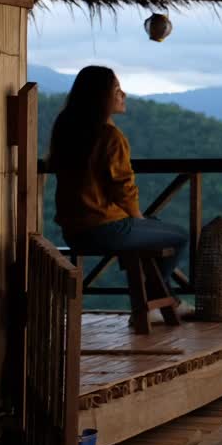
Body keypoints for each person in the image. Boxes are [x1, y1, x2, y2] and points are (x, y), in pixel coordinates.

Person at [49, 65, 188, 286]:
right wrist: (136, 217)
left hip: (74, 232)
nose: (123, 95)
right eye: (116, 90)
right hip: (107, 229)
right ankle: (154, 299)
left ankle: (160, 300)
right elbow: (123, 188)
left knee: (155, 225)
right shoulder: (110, 137)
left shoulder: (65, 129)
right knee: (180, 236)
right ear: (100, 97)